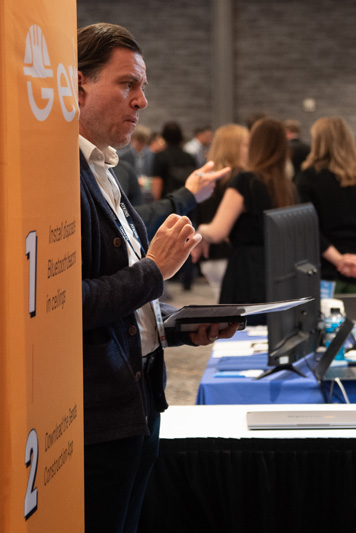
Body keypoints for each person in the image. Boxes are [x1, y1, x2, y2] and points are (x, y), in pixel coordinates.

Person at [77, 22, 238, 533]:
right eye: (128, 85)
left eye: (142, 87)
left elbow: (121, 299)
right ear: (77, 85)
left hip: (140, 405)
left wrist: (176, 326)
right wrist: (154, 271)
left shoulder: (105, 171)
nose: (142, 101)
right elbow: (66, 304)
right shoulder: (58, 179)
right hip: (97, 421)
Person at [194, 118, 297, 310]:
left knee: (240, 330)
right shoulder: (287, 185)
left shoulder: (246, 180)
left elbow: (217, 231)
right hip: (279, 267)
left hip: (247, 270)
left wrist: (201, 230)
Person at [295, 116, 356, 296]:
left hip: (324, 275)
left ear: (318, 143)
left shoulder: (307, 178)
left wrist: (339, 260)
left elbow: (307, 228)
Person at [194, 123, 249, 292]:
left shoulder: (202, 179)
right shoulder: (243, 179)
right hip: (233, 254)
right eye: (247, 144)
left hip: (209, 255)